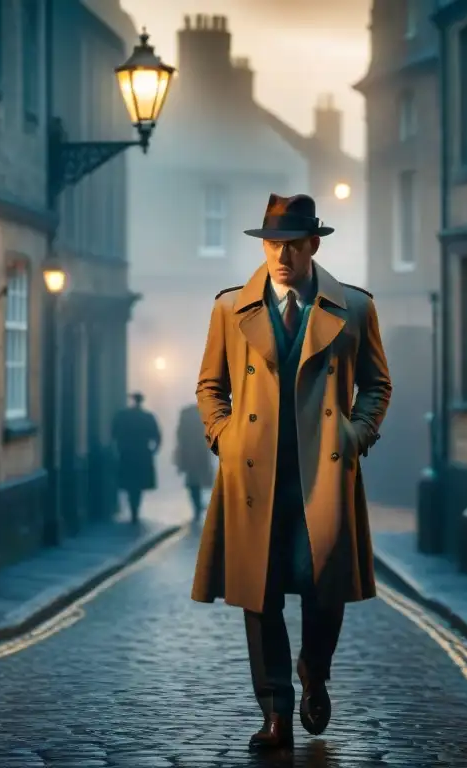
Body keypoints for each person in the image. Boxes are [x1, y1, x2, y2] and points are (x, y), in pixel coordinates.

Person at [190, 193, 392, 752]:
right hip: (255, 477)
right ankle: (275, 710)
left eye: (291, 245)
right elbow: (211, 386)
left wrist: (358, 434)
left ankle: (315, 670)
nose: (280, 255)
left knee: (325, 591)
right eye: (272, 244)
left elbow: (377, 384)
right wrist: (224, 437)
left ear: (313, 245)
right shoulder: (231, 310)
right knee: (261, 596)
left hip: (322, 475)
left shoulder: (354, 307)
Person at [110, 392, 161, 523]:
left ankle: (134, 510)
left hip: (127, 452)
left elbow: (113, 434)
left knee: (130, 483)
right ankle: (135, 511)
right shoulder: (147, 417)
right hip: (142, 453)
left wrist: (117, 449)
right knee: (137, 485)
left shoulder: (123, 416)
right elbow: (157, 436)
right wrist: (153, 450)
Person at [173, 403, 214, 520]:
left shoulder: (185, 418)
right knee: (199, 480)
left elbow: (179, 436)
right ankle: (198, 505)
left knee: (192, 481)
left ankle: (197, 505)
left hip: (189, 454)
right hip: (200, 453)